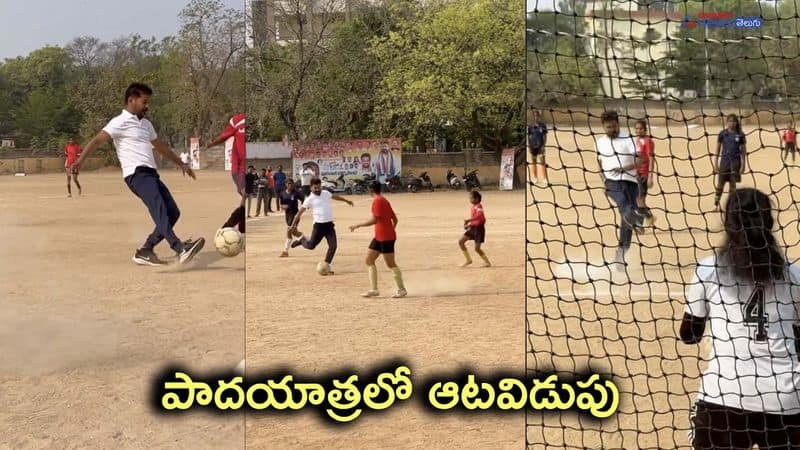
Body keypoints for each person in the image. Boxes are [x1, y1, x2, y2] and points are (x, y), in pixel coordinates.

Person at [680, 188, 800, 450]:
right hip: (785, 398)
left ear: (728, 222)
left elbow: (689, 334)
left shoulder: (709, 269)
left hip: (724, 396)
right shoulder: (793, 274)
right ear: (768, 223)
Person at [72, 82, 204, 266]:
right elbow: (96, 140)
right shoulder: (119, 122)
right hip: (136, 174)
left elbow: (161, 148)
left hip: (151, 174)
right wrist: (80, 160)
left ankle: (145, 250)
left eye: (148, 102)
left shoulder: (146, 124)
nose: (147, 105)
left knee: (173, 212)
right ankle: (179, 248)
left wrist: (181, 164)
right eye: (144, 101)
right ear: (131, 100)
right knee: (159, 209)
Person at [595, 110, 644, 269]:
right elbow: (599, 162)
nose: (612, 129)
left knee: (625, 224)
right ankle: (637, 220)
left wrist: (624, 168)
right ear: (603, 126)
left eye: (614, 126)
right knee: (625, 206)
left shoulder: (628, 139)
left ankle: (621, 254)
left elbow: (641, 159)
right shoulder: (599, 142)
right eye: (608, 127)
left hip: (630, 183)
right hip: (612, 183)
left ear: (618, 124)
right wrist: (603, 181)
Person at [349, 181, 407, 298]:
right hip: (380, 236)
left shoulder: (378, 201)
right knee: (369, 260)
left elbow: (374, 220)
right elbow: (395, 219)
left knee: (390, 264)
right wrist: (391, 229)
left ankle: (401, 289)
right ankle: (374, 289)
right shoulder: (384, 200)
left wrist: (357, 225)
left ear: (370, 190)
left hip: (385, 238)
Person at [289, 178, 354, 273]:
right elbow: (299, 213)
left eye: (319, 187)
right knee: (311, 246)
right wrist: (292, 225)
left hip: (329, 226)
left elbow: (335, 196)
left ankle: (326, 265)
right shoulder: (309, 199)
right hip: (318, 227)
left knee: (333, 246)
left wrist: (346, 200)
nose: (317, 189)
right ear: (311, 188)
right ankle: (302, 240)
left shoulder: (325, 193)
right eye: (315, 188)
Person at [206, 113, 246, 235]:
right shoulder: (237, 120)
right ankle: (226, 229)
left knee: (245, 200)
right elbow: (224, 136)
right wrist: (212, 143)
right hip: (238, 169)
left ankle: (237, 230)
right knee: (246, 196)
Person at [714, 114, 747, 210]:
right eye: (730, 121)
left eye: (734, 121)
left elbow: (743, 151)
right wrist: (715, 163)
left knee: (733, 186)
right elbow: (717, 149)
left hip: (736, 163)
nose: (732, 123)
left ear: (737, 123)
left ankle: (730, 207)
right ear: (726, 122)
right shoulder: (722, 134)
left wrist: (743, 164)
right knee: (720, 184)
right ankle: (716, 205)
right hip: (724, 162)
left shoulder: (740, 134)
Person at [459, 190, 492, 268]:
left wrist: (469, 220)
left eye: (471, 198)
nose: (470, 200)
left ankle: (487, 263)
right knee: (461, 242)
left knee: (477, 249)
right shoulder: (473, 207)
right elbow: (476, 219)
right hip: (473, 228)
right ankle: (468, 260)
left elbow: (479, 216)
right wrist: (469, 225)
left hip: (479, 230)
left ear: (476, 199)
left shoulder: (479, 206)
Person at [634, 119, 656, 226]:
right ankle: (645, 219)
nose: (638, 131)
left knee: (639, 199)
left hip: (643, 174)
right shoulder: (637, 140)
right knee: (638, 199)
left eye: (641, 129)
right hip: (636, 174)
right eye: (637, 128)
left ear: (645, 129)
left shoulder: (648, 141)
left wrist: (650, 176)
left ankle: (646, 219)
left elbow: (651, 158)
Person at [279, 179, 305, 257]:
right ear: (286, 184)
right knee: (294, 232)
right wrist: (283, 206)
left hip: (295, 214)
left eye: (291, 183)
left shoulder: (296, 192)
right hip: (287, 215)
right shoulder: (282, 193)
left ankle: (285, 251)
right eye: (289, 183)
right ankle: (304, 239)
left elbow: (303, 200)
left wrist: (302, 209)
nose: (290, 185)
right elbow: (281, 205)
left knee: (289, 230)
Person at [527, 109, 548, 186]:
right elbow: (529, 136)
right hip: (533, 146)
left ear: (539, 117)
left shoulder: (543, 125)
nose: (536, 117)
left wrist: (543, 145)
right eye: (535, 116)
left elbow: (545, 136)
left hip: (540, 147)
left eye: (537, 116)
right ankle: (535, 177)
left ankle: (545, 178)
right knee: (533, 162)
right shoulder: (530, 126)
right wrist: (529, 146)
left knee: (542, 162)